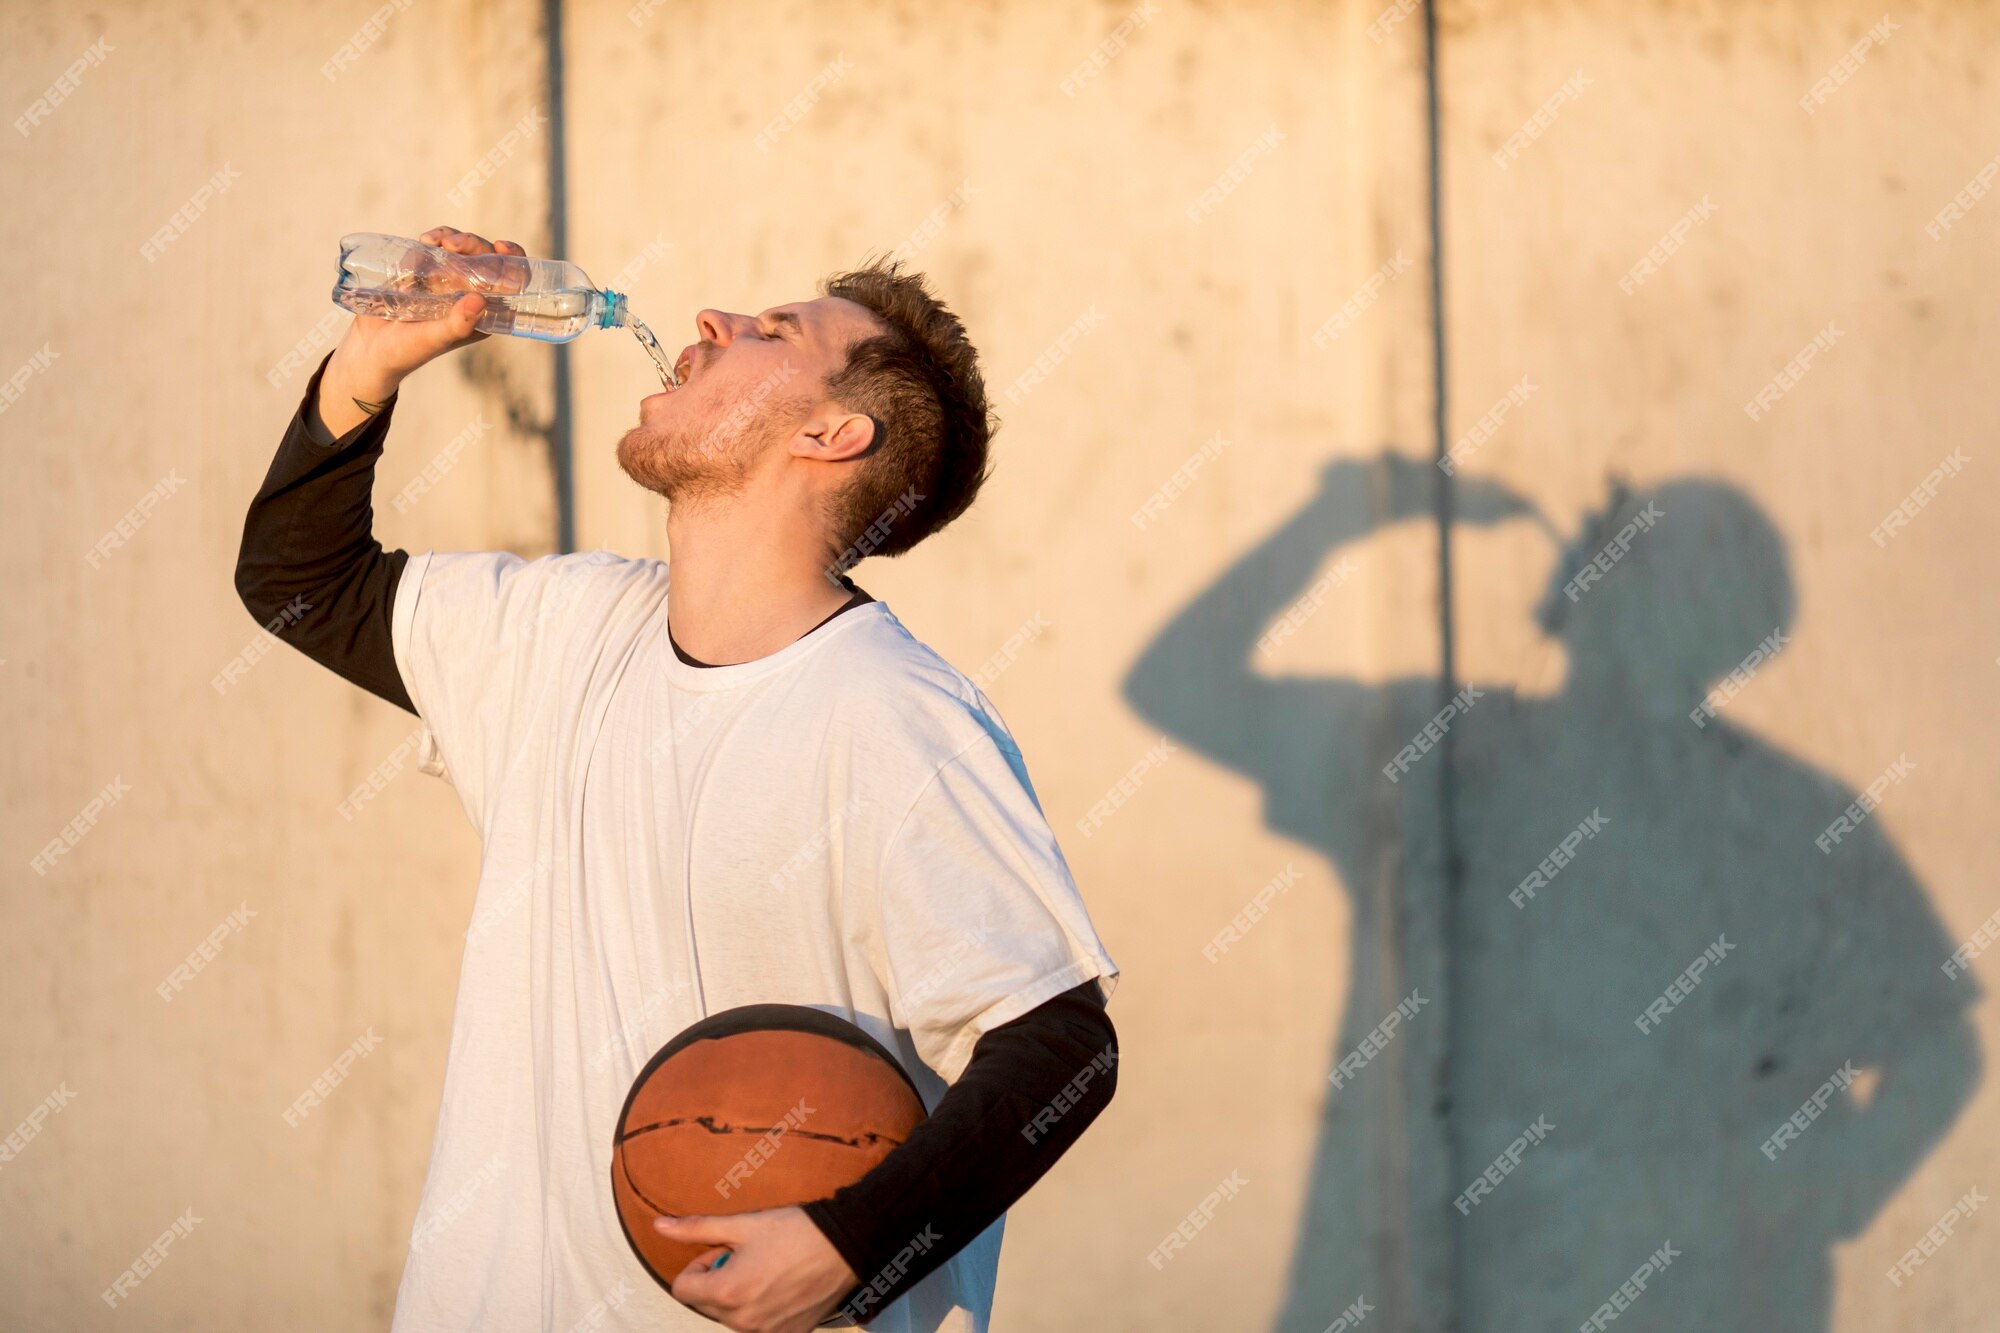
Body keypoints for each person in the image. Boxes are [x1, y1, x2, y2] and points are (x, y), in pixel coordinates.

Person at [236, 226, 1120, 1333]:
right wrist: (369, 363)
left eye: (773, 331)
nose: (712, 319)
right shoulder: (565, 629)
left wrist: (850, 1243)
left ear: (832, 431)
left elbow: (1059, 1046)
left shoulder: (894, 718)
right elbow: (299, 583)